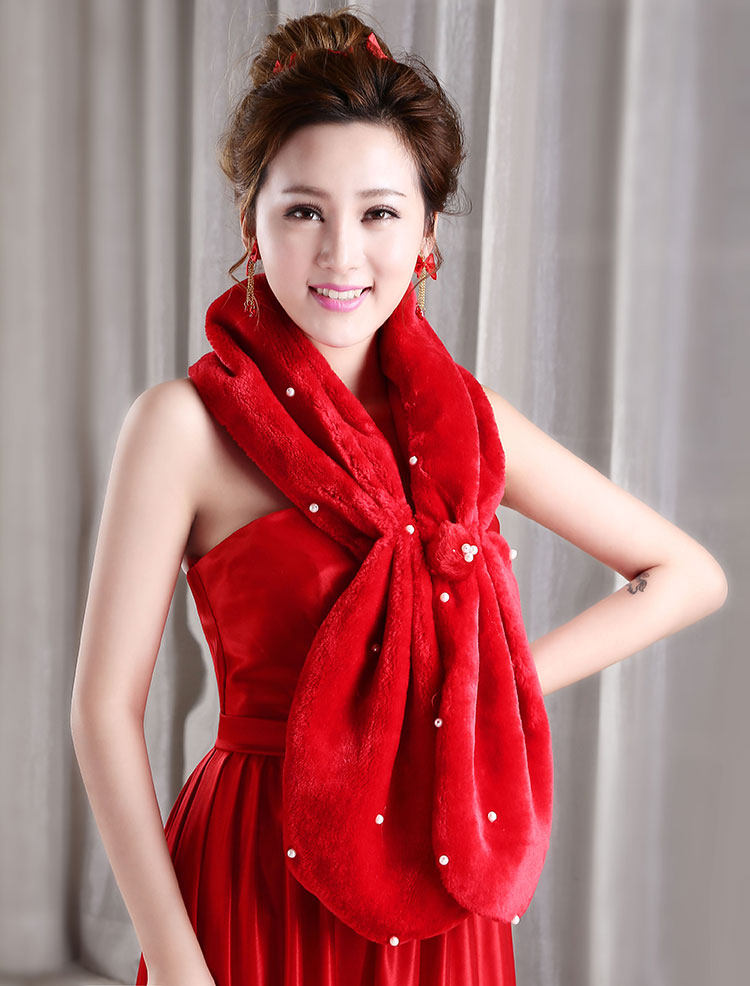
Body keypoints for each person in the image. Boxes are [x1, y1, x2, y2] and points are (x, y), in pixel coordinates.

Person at [69, 9, 728, 986]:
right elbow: (102, 711)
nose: (342, 254)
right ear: (252, 222)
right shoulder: (184, 426)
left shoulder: (470, 421)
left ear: (427, 231)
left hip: (436, 867)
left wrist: (492, 688)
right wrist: (175, 960)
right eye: (304, 211)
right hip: (258, 865)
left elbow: (687, 573)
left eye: (379, 213)